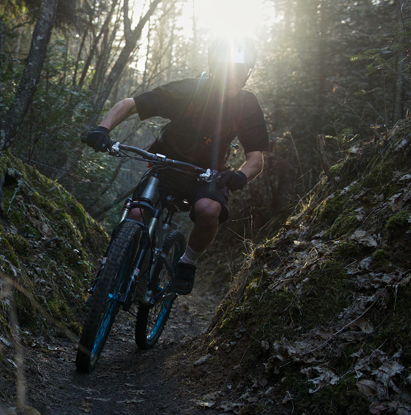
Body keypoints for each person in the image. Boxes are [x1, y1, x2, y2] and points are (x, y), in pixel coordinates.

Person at [81, 36, 270, 295]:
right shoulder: (189, 91)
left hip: (208, 174)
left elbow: (256, 160)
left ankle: (187, 262)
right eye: (228, 70)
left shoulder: (248, 105)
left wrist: (240, 175)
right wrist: (102, 129)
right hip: (166, 163)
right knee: (136, 214)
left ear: (248, 72)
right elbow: (130, 104)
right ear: (215, 68)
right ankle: (111, 271)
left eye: (241, 70)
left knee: (208, 209)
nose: (234, 77)